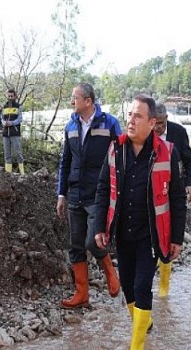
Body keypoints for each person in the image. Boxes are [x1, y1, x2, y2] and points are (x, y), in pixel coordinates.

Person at [93, 94, 187, 349]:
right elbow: (103, 189)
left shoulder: (167, 152)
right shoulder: (116, 150)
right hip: (123, 231)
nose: (131, 120)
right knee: (129, 289)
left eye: (138, 116)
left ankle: (137, 346)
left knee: (143, 285)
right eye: (130, 114)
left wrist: (176, 238)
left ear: (151, 122)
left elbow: (178, 199)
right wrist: (99, 227)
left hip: (151, 234)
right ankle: (143, 323)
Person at [56, 82, 123, 308]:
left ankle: (111, 274)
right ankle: (82, 295)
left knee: (93, 241)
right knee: (76, 246)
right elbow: (65, 161)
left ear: (88, 101)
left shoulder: (110, 123)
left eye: (74, 97)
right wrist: (61, 194)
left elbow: (120, 158)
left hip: (98, 194)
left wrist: (118, 191)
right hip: (75, 193)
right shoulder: (70, 127)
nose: (71, 101)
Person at [153, 102, 191, 298]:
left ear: (166, 120)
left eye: (162, 124)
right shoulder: (143, 134)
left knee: (167, 238)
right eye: (155, 123)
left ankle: (164, 292)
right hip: (151, 194)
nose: (158, 128)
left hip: (173, 191)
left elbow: (189, 160)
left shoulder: (178, 133)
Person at [1, 89, 25, 174]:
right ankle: (8, 173)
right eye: (9, 96)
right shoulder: (4, 106)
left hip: (15, 133)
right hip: (5, 133)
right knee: (7, 155)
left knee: (18, 153)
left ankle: (22, 173)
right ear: (7, 96)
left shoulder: (18, 106)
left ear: (15, 96)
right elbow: (2, 118)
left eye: (12, 96)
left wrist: (11, 123)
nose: (10, 97)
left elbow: (20, 119)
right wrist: (4, 123)